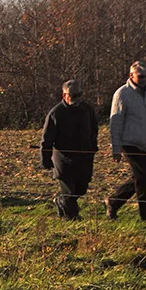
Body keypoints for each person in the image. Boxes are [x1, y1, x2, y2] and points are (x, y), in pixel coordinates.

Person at [106, 61, 146, 223]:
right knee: (142, 179)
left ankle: (113, 202)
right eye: (141, 76)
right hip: (129, 143)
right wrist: (116, 147)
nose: (144, 79)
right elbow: (116, 123)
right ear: (131, 76)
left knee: (138, 177)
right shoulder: (122, 94)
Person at [40, 80, 98, 220]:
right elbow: (46, 139)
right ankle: (71, 217)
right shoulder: (56, 113)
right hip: (63, 159)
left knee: (81, 189)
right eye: (73, 95)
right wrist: (46, 160)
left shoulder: (87, 110)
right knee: (69, 192)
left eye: (79, 95)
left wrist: (92, 148)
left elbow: (94, 129)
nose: (77, 99)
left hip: (83, 158)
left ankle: (60, 202)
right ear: (65, 95)